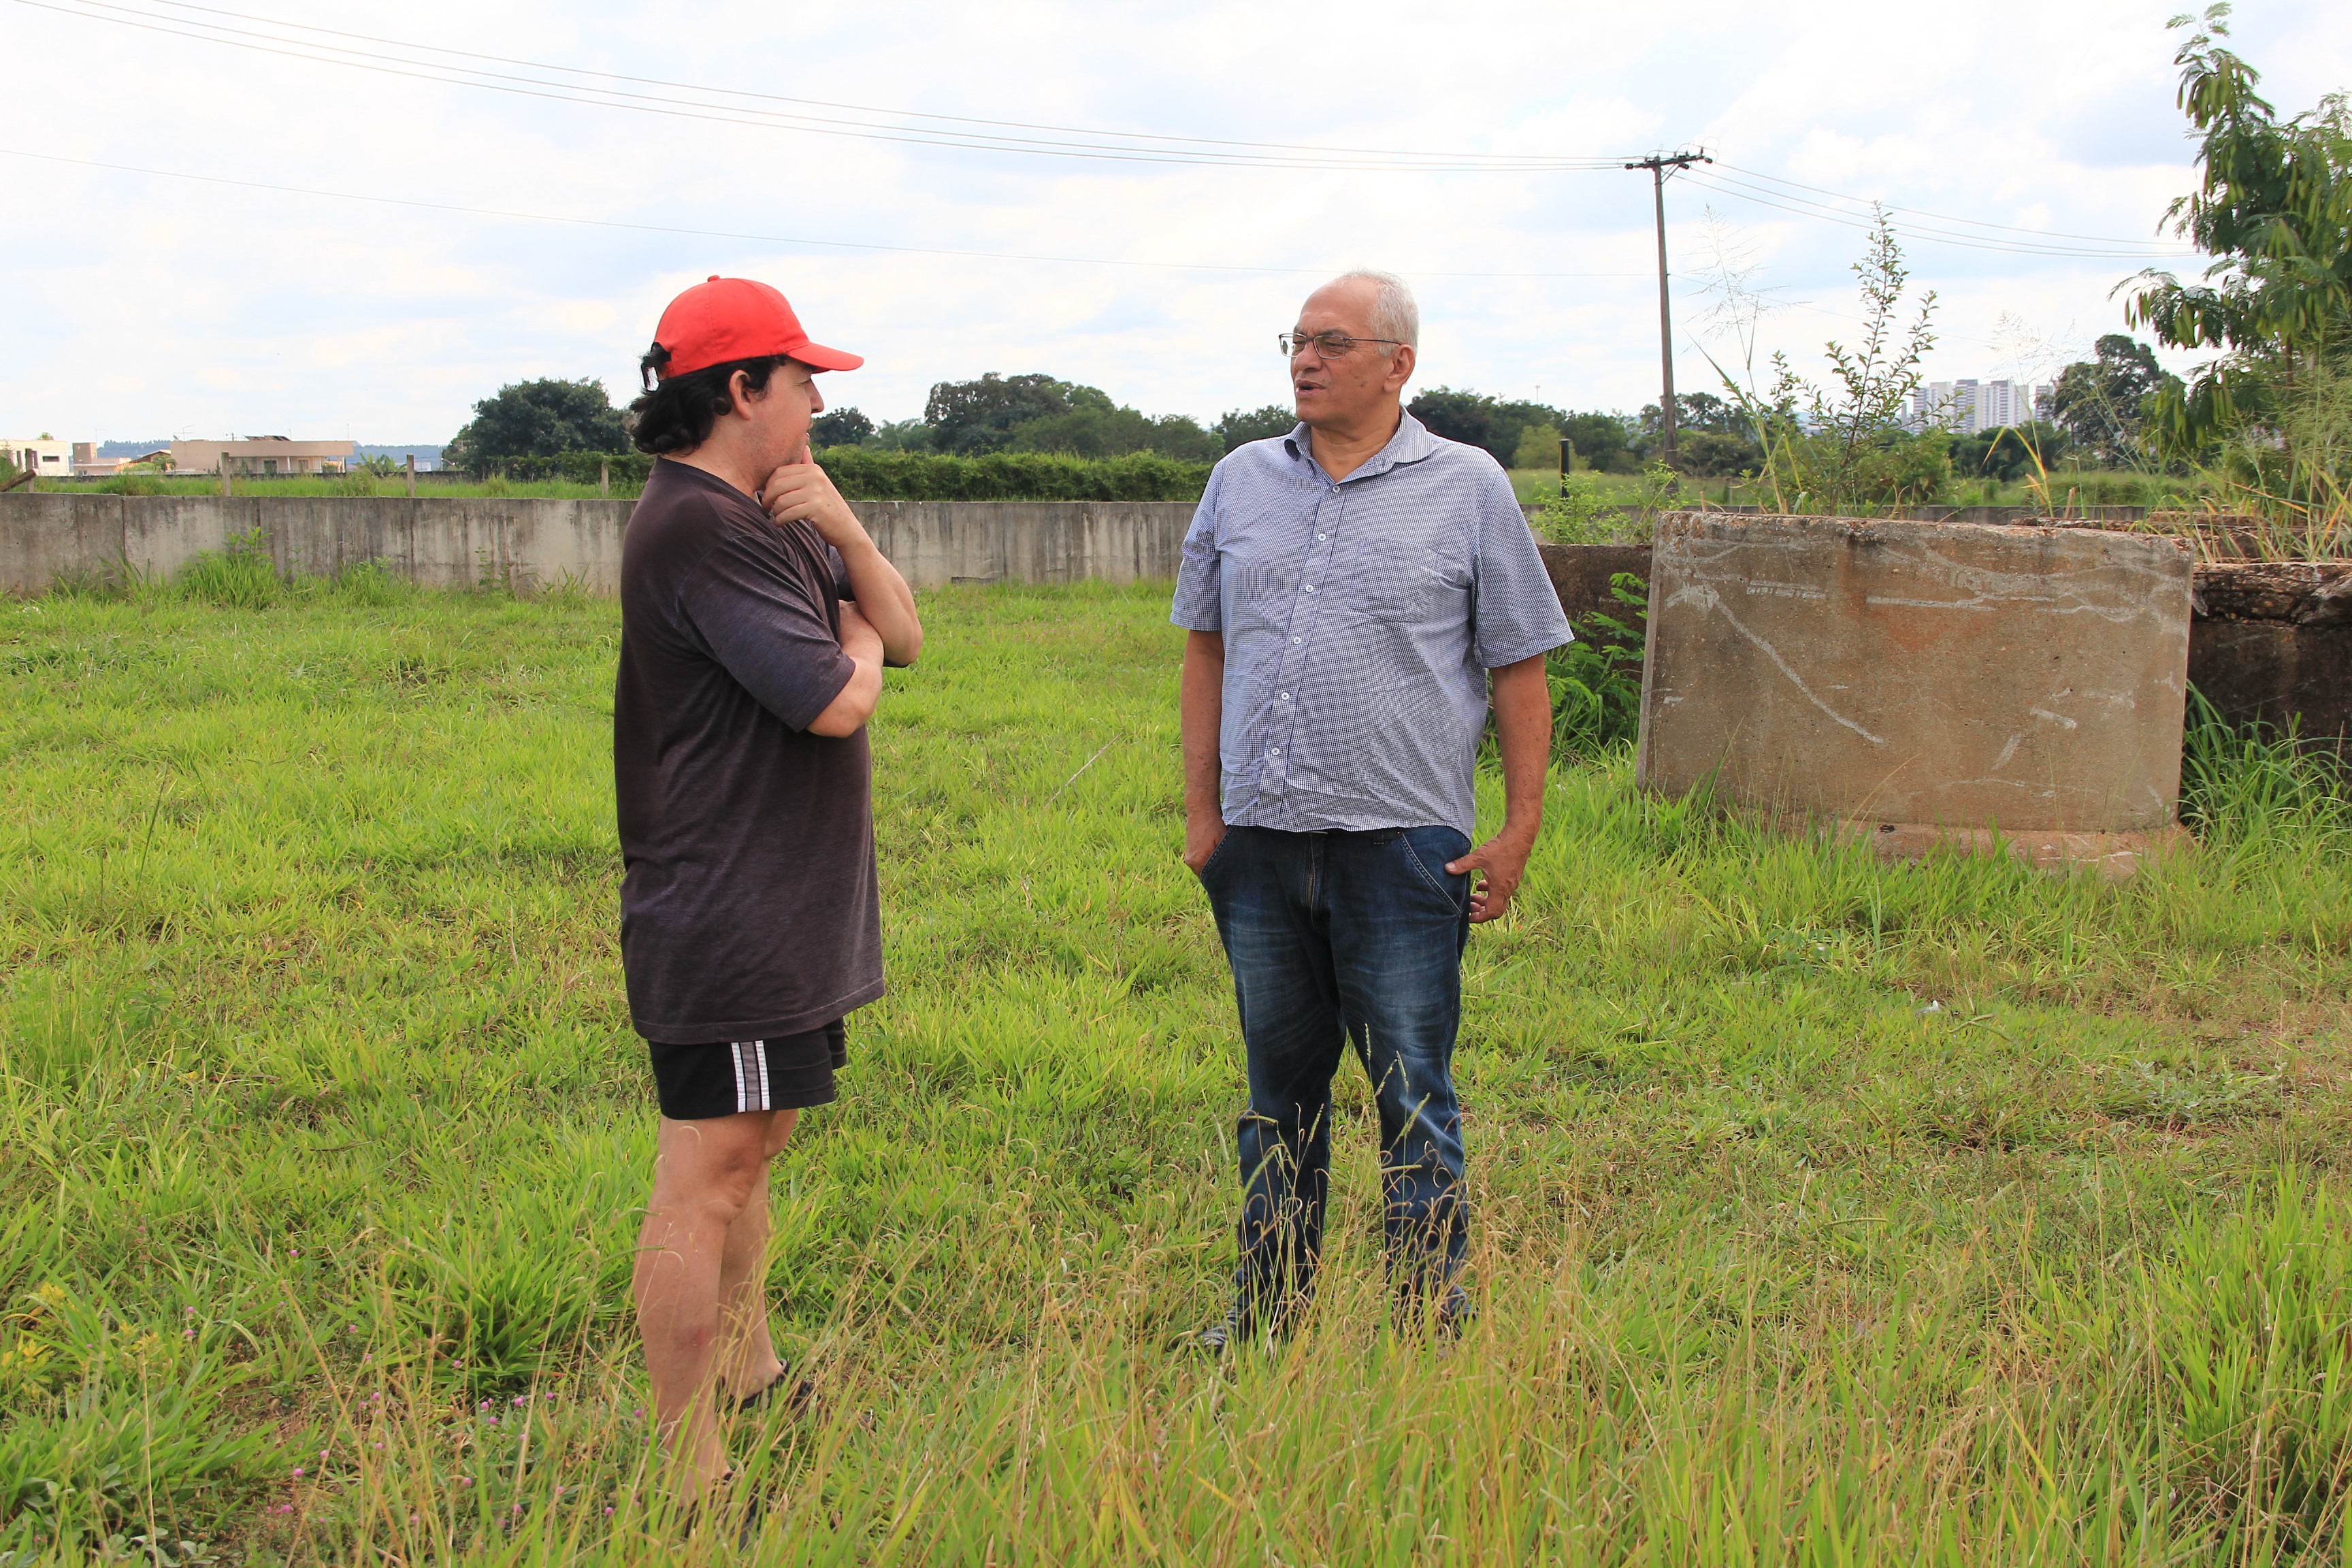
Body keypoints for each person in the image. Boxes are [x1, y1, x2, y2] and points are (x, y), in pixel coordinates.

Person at [1171, 269, 1571, 1351]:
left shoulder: (1469, 485)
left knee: (1411, 1091)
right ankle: (1269, 1312)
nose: (1306, 360)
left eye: (1334, 344)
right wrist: (1204, 815)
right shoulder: (1240, 481)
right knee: (1276, 1096)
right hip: (1258, 847)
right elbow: (1205, 650)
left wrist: (1520, 825)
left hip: (1403, 849)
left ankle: (1425, 1314)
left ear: (1398, 365)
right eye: (1297, 341)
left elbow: (1521, 667)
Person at [613, 275, 921, 1495]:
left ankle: (753, 1374)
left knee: (757, 1147)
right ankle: (692, 1473)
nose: (817, 408)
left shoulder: (773, 513)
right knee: (710, 1171)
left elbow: (904, 632)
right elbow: (843, 693)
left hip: (781, 908)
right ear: (742, 390)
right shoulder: (696, 526)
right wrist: (849, 638)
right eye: (804, 384)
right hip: (728, 913)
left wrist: (844, 533)